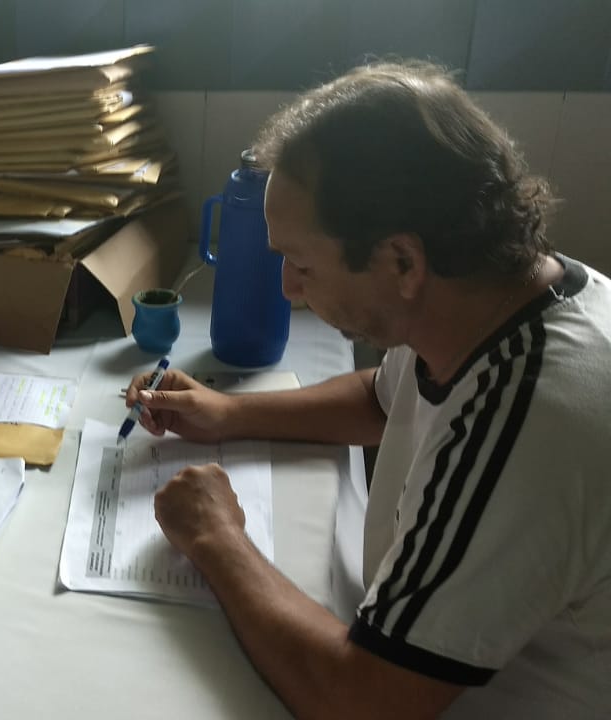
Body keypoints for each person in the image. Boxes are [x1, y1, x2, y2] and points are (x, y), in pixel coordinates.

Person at [126, 61, 610, 718]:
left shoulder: (526, 422)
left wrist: (217, 536)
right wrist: (228, 413)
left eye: (300, 264)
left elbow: (364, 701)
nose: (288, 288)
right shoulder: (486, 297)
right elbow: (382, 399)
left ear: (401, 261)